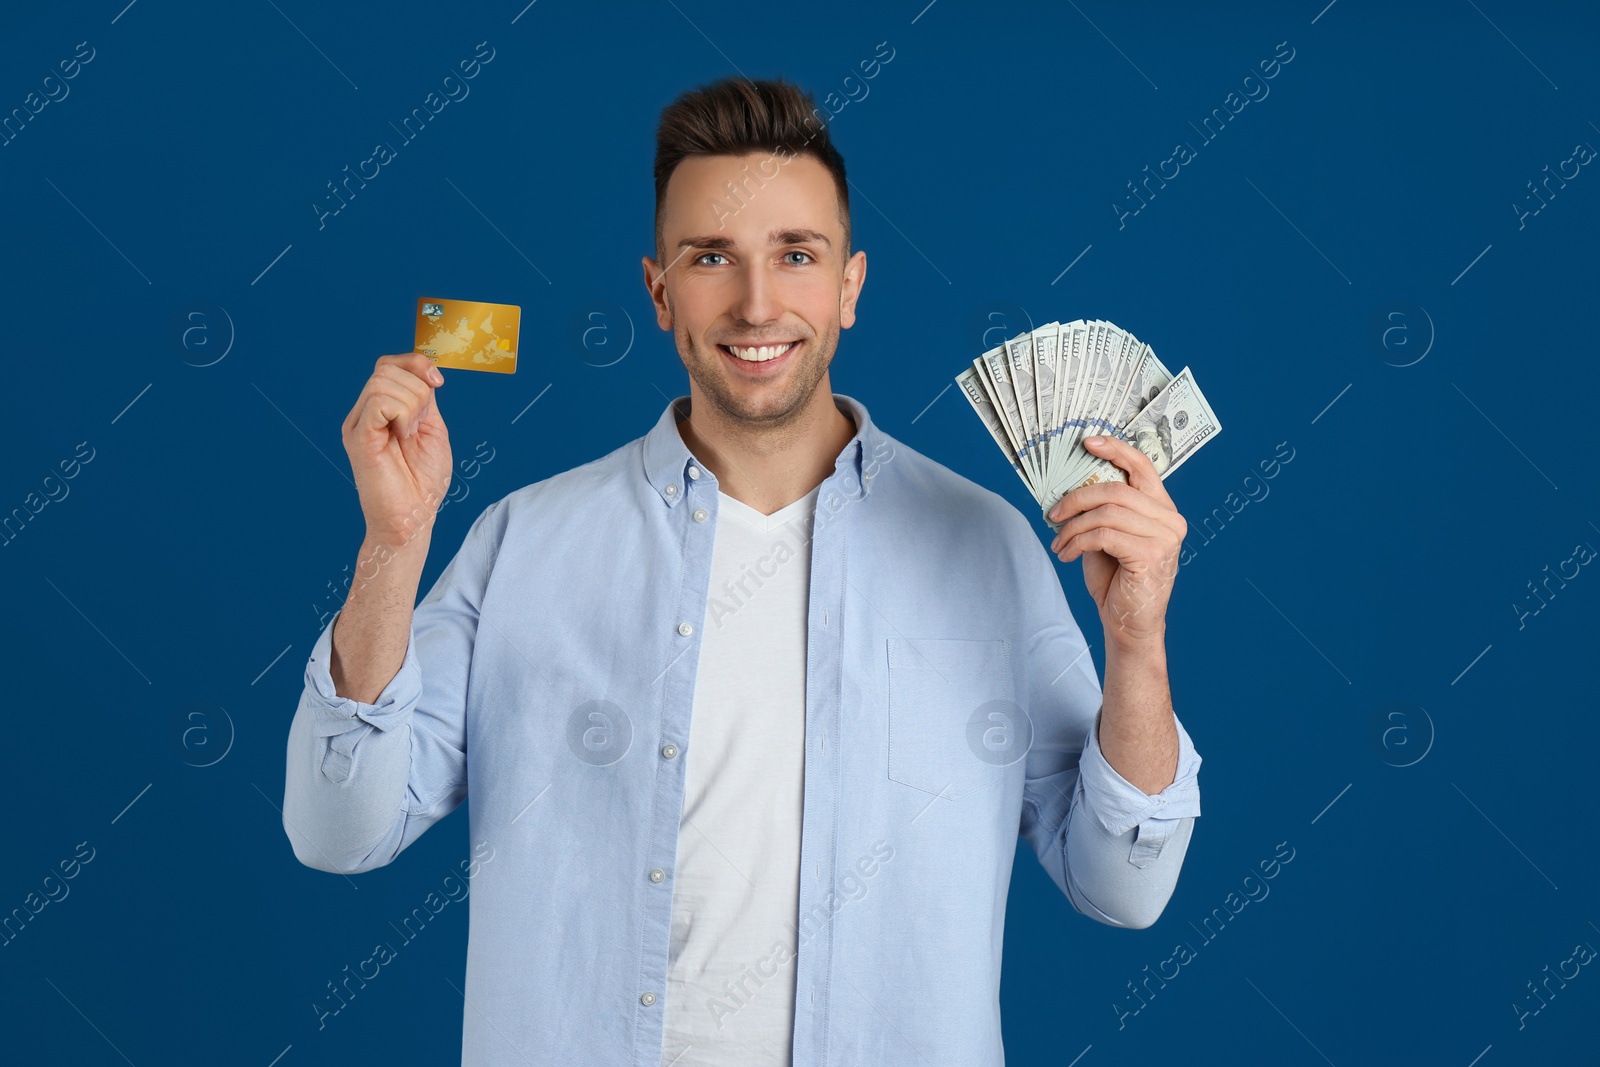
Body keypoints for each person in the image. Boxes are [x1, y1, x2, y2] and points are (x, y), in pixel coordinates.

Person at [281, 76, 1201, 1067]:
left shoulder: (986, 546)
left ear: (848, 286)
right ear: (659, 290)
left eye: (794, 255)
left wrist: (1137, 640)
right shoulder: (524, 542)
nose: (757, 302)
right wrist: (393, 543)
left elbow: (1124, 883)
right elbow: (339, 828)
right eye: (712, 256)